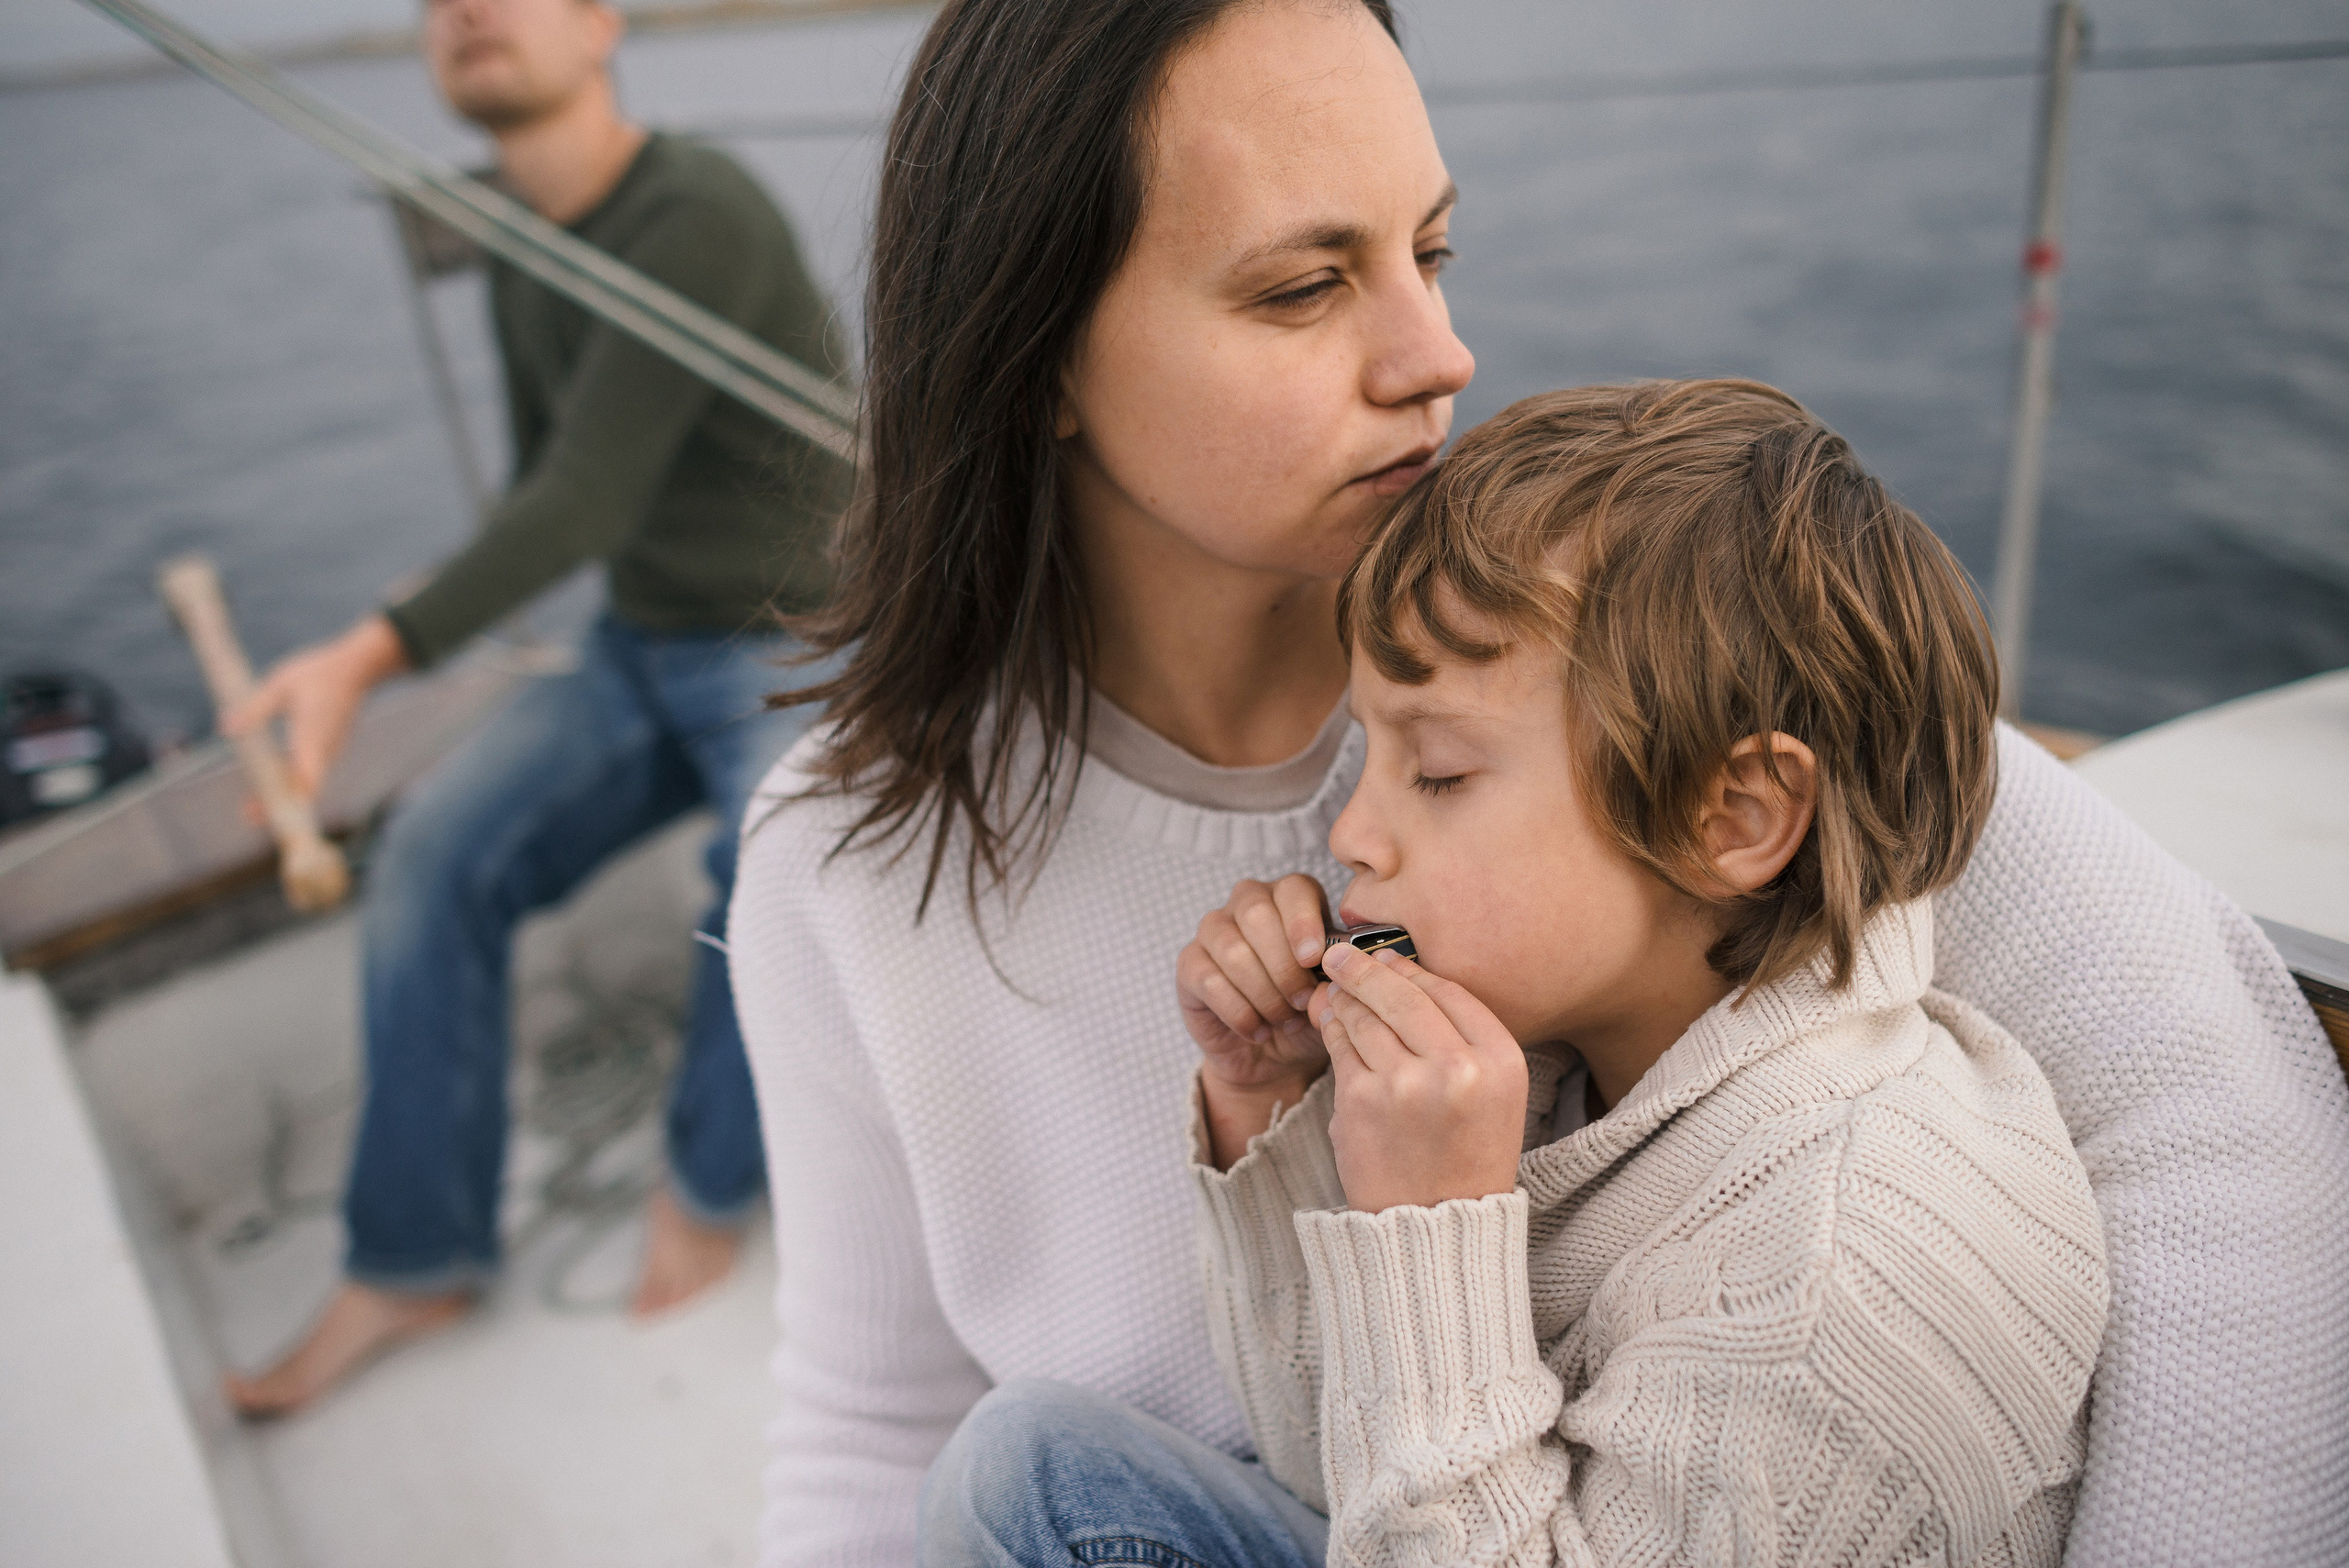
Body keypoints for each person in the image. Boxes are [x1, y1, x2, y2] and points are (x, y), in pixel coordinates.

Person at [729, 0, 2349, 1562]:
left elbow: (2230, 1123)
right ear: (1035, 356)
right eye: (1305, 286)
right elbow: (875, 1433)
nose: (1438, 355)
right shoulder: (841, 856)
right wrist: (1267, 1123)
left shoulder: (1644, 660)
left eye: (1431, 253)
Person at [919, 378, 2112, 1565]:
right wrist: (1273, 1099)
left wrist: (1431, 1223)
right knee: (1034, 1465)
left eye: (1438, 771)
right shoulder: (1581, 1063)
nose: (1352, 833)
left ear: (1736, 818)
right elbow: (1335, 1475)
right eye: (1367, 752)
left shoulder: (1827, 1293)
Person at [221, 0, 849, 1417]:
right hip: (644, 638)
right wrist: (426, 603)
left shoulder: (699, 211)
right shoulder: (517, 234)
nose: (465, 12)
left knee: (774, 869)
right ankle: (415, 1256)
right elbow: (544, 491)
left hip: (802, 640)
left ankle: (706, 1185)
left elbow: (585, 495)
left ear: (599, 23)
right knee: (431, 850)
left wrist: (366, 655)